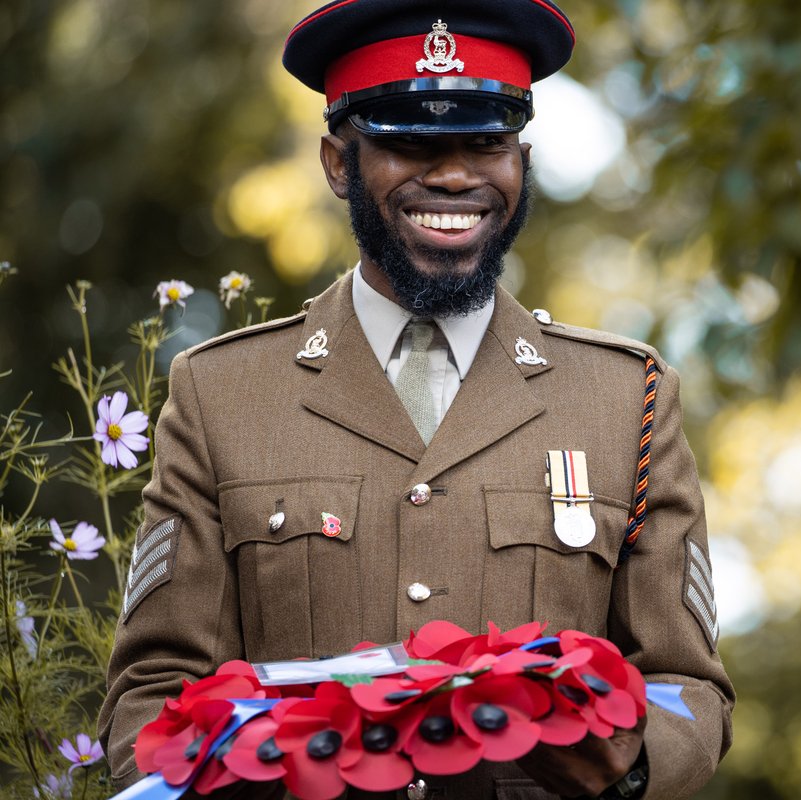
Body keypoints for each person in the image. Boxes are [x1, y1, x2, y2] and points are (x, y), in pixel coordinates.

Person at [98, 0, 734, 797]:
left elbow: (689, 688)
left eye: (487, 142)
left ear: (522, 161)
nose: (457, 175)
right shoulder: (220, 395)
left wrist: (633, 764)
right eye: (413, 142)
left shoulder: (626, 396)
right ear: (338, 163)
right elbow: (152, 696)